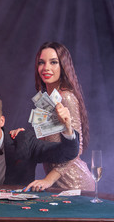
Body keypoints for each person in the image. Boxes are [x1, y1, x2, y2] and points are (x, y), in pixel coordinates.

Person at [22, 42, 95, 191]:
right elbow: (45, 145)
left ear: (63, 66)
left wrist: (48, 180)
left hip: (75, 184)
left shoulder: (66, 97)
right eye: (41, 62)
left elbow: (76, 149)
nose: (46, 68)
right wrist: (25, 136)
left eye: (53, 62)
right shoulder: (44, 101)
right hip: (56, 185)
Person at [0, 92, 80, 187]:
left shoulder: (23, 141)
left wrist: (67, 128)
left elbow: (67, 153)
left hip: (17, 210)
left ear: (1, 121)